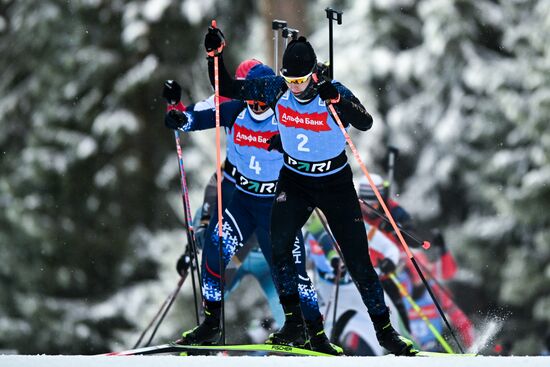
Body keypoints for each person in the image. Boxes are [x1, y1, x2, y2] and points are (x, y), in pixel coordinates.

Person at [202, 26, 416, 355]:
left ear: (313, 75)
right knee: (278, 245)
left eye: (301, 81)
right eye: (290, 80)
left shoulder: (331, 91)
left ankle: (385, 332)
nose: (295, 87)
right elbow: (226, 86)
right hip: (296, 181)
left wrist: (338, 101)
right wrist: (214, 56)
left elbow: (366, 122)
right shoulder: (277, 88)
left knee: (358, 261)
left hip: (334, 184)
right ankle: (295, 324)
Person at [164, 62, 340, 354]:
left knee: (294, 273)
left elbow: (316, 120)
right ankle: (211, 325)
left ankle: (316, 334)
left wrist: (322, 86)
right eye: (251, 100)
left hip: (277, 206)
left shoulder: (287, 113)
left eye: (262, 101)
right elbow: (197, 119)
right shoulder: (235, 111)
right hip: (244, 202)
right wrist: (178, 119)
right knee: (214, 247)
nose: (257, 106)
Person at [358, 174, 475, 349]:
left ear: (382, 198)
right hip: (367, 270)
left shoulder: (394, 211)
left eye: (374, 202)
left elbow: (414, 240)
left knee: (418, 302)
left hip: (395, 270)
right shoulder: (355, 210)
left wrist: (396, 228)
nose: (369, 207)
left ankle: (464, 339)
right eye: (365, 202)